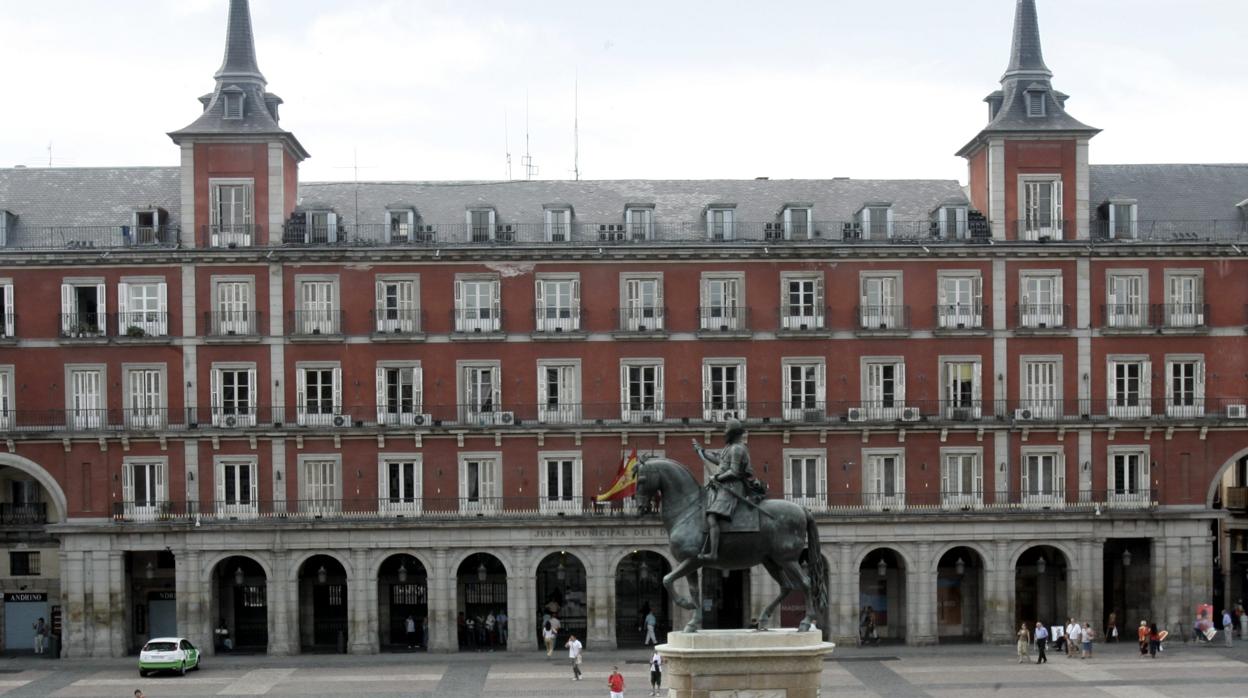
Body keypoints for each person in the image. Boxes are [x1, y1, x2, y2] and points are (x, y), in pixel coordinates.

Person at [691, 419, 758, 562]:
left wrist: (717, 477)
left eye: (726, 431)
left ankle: (713, 553)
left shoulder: (738, 449)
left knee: (712, 516)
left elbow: (734, 472)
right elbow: (718, 460)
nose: (724, 434)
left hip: (733, 488)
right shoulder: (729, 448)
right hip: (724, 486)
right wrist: (701, 451)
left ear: (733, 433)